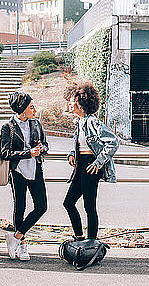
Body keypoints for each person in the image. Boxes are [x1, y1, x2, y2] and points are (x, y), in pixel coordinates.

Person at [62, 81, 119, 241]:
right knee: (68, 202)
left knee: (89, 206)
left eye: (72, 100)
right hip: (80, 166)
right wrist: (72, 154)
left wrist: (98, 163)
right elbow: (81, 144)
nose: (70, 103)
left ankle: (91, 241)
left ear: (80, 103)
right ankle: (80, 237)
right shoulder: (79, 123)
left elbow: (113, 141)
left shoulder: (92, 122)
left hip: (90, 167)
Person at [0, 92, 48, 261]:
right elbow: (4, 153)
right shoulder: (8, 127)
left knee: (41, 206)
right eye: (31, 107)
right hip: (18, 171)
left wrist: (42, 148)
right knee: (20, 207)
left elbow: (45, 144)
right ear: (22, 109)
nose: (34, 110)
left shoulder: (36, 124)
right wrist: (28, 153)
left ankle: (16, 237)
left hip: (36, 169)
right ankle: (22, 246)